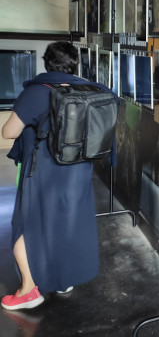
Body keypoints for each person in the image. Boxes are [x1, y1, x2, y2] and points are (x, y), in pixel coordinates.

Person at [1, 42, 119, 310]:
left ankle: (29, 291)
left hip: (42, 172)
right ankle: (62, 278)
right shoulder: (87, 90)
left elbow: (8, 132)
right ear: (75, 64)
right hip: (78, 172)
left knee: (25, 225)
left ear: (47, 63)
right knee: (65, 223)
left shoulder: (35, 92)